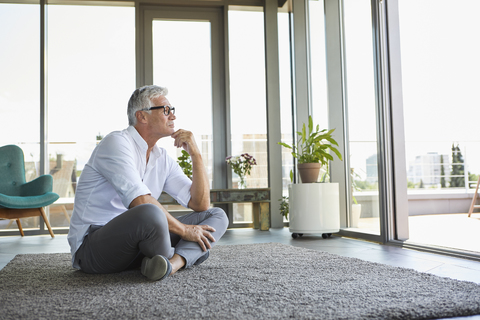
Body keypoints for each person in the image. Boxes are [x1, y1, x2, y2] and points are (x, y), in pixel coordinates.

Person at [67, 85, 229, 281]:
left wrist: (196, 155)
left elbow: (200, 204)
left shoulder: (162, 158)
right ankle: (186, 255)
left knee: (216, 214)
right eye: (166, 110)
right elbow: (140, 201)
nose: (173, 117)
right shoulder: (116, 143)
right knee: (150, 211)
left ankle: (170, 264)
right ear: (142, 116)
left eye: (172, 111)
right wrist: (185, 231)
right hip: (94, 249)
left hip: (138, 246)